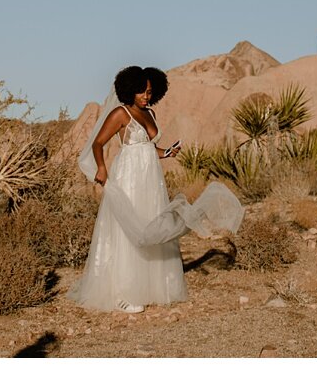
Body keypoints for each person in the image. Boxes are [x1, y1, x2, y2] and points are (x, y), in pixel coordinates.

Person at [73, 63, 242, 313]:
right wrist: (101, 167)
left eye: (150, 91)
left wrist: (168, 152)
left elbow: (149, 149)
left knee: (152, 224)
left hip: (151, 179)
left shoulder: (150, 114)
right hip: (129, 176)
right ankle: (122, 293)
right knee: (128, 231)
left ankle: (152, 286)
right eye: (141, 91)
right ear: (130, 89)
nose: (146, 96)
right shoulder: (120, 114)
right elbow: (98, 143)